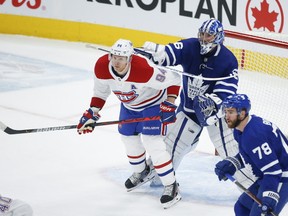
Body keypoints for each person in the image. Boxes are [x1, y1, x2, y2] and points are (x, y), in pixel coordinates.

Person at [141, 18, 256, 187]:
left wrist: (214, 103)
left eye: (208, 35)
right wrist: (160, 54)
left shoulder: (228, 59)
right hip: (189, 111)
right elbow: (172, 52)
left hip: (217, 114)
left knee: (231, 150)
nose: (204, 38)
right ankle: (163, 173)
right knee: (170, 148)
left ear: (218, 37)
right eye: (202, 34)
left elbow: (228, 89)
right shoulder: (191, 46)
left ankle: (252, 184)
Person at [77, 39, 182, 208]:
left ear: (130, 59)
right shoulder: (102, 66)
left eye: (121, 58)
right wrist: (92, 113)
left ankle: (171, 185)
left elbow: (175, 79)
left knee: (152, 142)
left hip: (153, 104)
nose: (117, 62)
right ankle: (141, 172)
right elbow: (100, 93)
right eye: (114, 57)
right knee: (128, 139)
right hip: (129, 106)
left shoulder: (144, 70)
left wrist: (169, 103)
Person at [214, 93, 288, 216]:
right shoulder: (240, 130)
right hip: (269, 176)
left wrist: (270, 194)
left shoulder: (254, 135)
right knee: (242, 207)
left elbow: (273, 171)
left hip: (282, 178)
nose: (227, 116)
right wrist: (233, 163)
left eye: (231, 112)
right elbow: (252, 153)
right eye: (225, 111)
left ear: (242, 113)